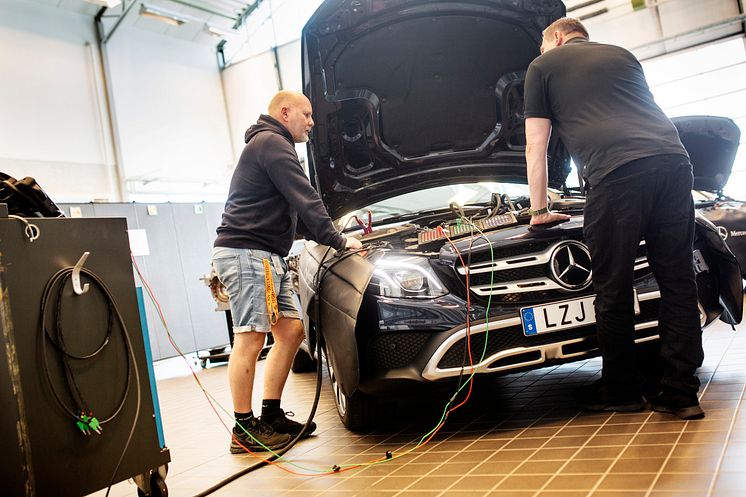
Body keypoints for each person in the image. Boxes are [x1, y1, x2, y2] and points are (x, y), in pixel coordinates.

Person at [523, 18, 705, 420]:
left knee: (613, 286)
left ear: (555, 38)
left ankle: (621, 390)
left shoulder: (543, 66)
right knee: (677, 280)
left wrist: (538, 211)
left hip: (616, 174)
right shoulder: (623, 55)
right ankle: (681, 392)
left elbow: (537, 144)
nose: (539, 52)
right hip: (674, 162)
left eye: (540, 45)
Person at [212, 90, 363, 453]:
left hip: (265, 254)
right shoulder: (272, 144)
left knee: (292, 332)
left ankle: (271, 415)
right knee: (251, 337)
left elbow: (293, 217)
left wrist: (333, 235)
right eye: (306, 114)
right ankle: (244, 429)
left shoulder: (270, 146)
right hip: (247, 254)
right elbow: (305, 198)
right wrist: (337, 240)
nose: (312, 122)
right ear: (285, 112)